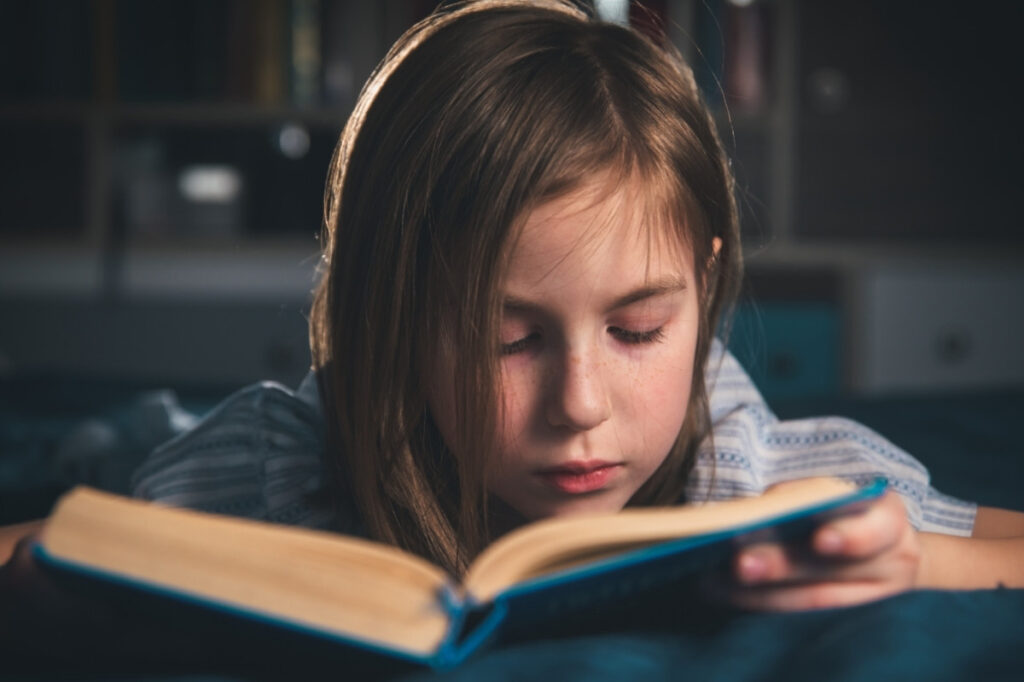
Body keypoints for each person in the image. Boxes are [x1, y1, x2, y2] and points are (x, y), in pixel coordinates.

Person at [2, 0, 1022, 652]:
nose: (579, 406)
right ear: (395, 320)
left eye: (638, 329)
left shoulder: (752, 475)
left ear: (704, 285)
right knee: (122, 444)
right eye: (506, 340)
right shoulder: (285, 461)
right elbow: (50, 549)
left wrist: (919, 560)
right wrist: (51, 590)